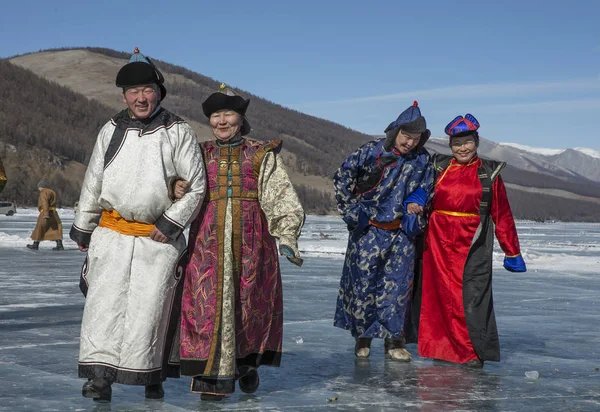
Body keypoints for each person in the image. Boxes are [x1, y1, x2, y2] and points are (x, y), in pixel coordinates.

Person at [69, 48, 206, 403]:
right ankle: (99, 379)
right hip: (112, 234)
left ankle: (152, 376)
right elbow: (94, 180)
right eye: (133, 92)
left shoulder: (178, 132)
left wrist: (171, 222)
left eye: (147, 90)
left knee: (151, 312)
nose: (141, 98)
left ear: (158, 92)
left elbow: (196, 185)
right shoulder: (111, 130)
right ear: (124, 96)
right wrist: (84, 226)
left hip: (156, 237)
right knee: (104, 308)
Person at [175, 84, 305, 401]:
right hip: (207, 245)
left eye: (228, 114)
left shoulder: (261, 154)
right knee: (207, 307)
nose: (221, 121)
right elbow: (179, 183)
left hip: (253, 244)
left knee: (249, 305)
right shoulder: (198, 152)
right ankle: (211, 379)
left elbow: (279, 195)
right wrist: (175, 185)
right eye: (216, 115)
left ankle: (246, 365)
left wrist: (286, 233)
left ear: (240, 118)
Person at [417, 114, 527, 368]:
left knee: (470, 297)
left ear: (476, 142)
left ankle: (470, 351)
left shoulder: (489, 173)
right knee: (439, 296)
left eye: (467, 142)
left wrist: (512, 251)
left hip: (472, 241)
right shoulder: (439, 167)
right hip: (437, 240)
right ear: (450, 146)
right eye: (457, 144)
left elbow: (502, 214)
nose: (462, 148)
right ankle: (441, 348)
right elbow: (420, 191)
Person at [333, 101, 434, 361]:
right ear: (396, 131)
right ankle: (362, 338)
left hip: (401, 233)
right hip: (369, 232)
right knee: (363, 285)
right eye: (406, 136)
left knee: (397, 289)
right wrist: (353, 215)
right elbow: (342, 178)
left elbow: (427, 187)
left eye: (415, 139)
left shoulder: (422, 160)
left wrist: (418, 201)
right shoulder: (371, 152)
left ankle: (394, 342)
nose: (410, 143)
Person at [27, 181, 63, 250]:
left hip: (45, 212)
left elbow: (44, 202)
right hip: (53, 212)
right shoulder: (52, 192)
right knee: (55, 228)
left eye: (39, 187)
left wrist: (46, 214)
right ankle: (59, 244)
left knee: (39, 228)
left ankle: (35, 244)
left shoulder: (44, 192)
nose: (38, 189)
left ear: (41, 187)